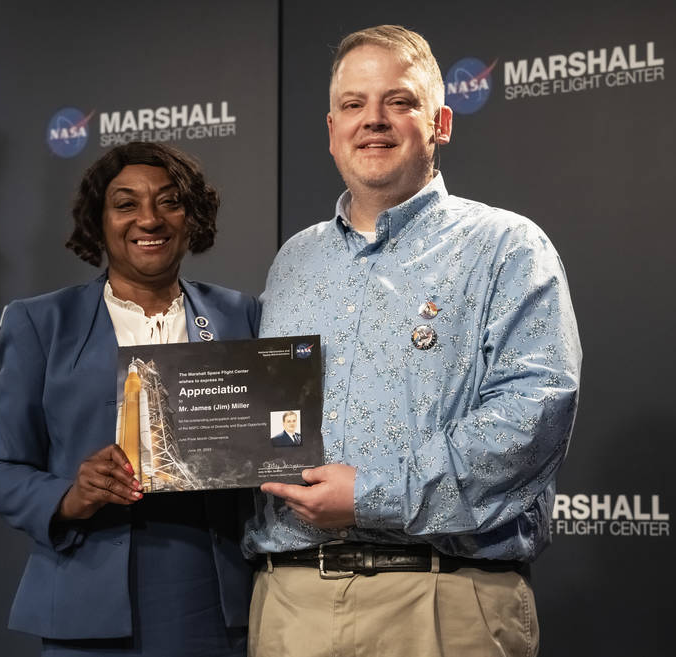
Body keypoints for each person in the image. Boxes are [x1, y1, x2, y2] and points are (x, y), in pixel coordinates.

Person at [243, 25, 581, 657]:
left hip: (439, 603)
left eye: (399, 101)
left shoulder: (506, 247)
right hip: (290, 605)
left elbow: (528, 424)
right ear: (331, 127)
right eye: (353, 104)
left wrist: (369, 496)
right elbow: (266, 422)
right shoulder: (295, 261)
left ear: (441, 122)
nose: (373, 120)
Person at [0, 142, 260, 657]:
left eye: (169, 201)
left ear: (192, 216)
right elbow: (0, 470)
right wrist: (69, 494)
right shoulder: (43, 323)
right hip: (87, 605)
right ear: (98, 220)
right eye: (126, 203)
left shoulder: (242, 317)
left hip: (213, 600)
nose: (148, 219)